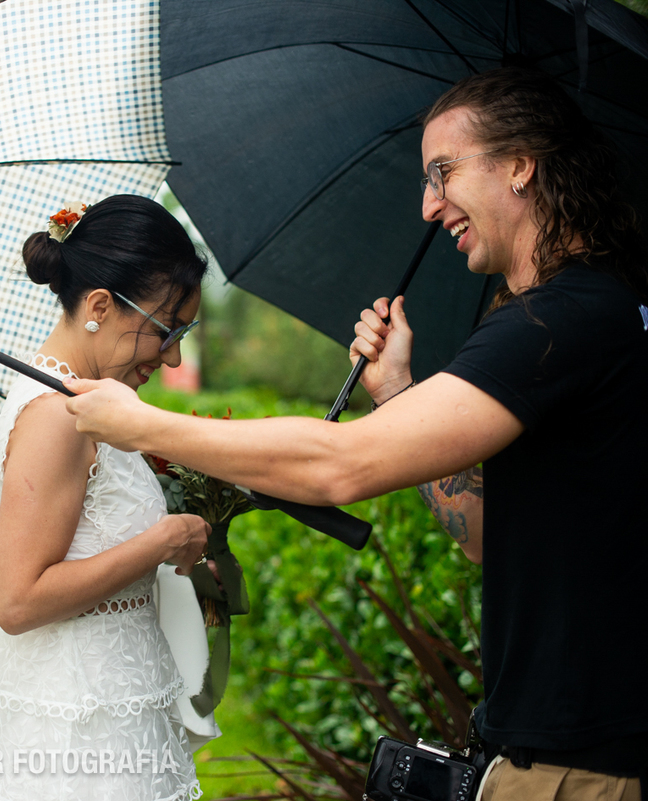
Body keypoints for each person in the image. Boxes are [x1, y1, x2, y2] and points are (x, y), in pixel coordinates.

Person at [64, 67, 647, 800]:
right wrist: (399, 393)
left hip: (581, 765)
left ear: (522, 165)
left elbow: (341, 466)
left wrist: (144, 423)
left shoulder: (559, 320)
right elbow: (483, 533)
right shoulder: (583, 312)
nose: (430, 205)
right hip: (546, 745)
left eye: (443, 172)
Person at [0, 194, 212, 801]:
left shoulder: (96, 403)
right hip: (76, 733)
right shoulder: (55, 417)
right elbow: (16, 601)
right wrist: (162, 541)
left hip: (113, 707)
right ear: (99, 306)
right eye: (166, 330)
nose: (172, 356)